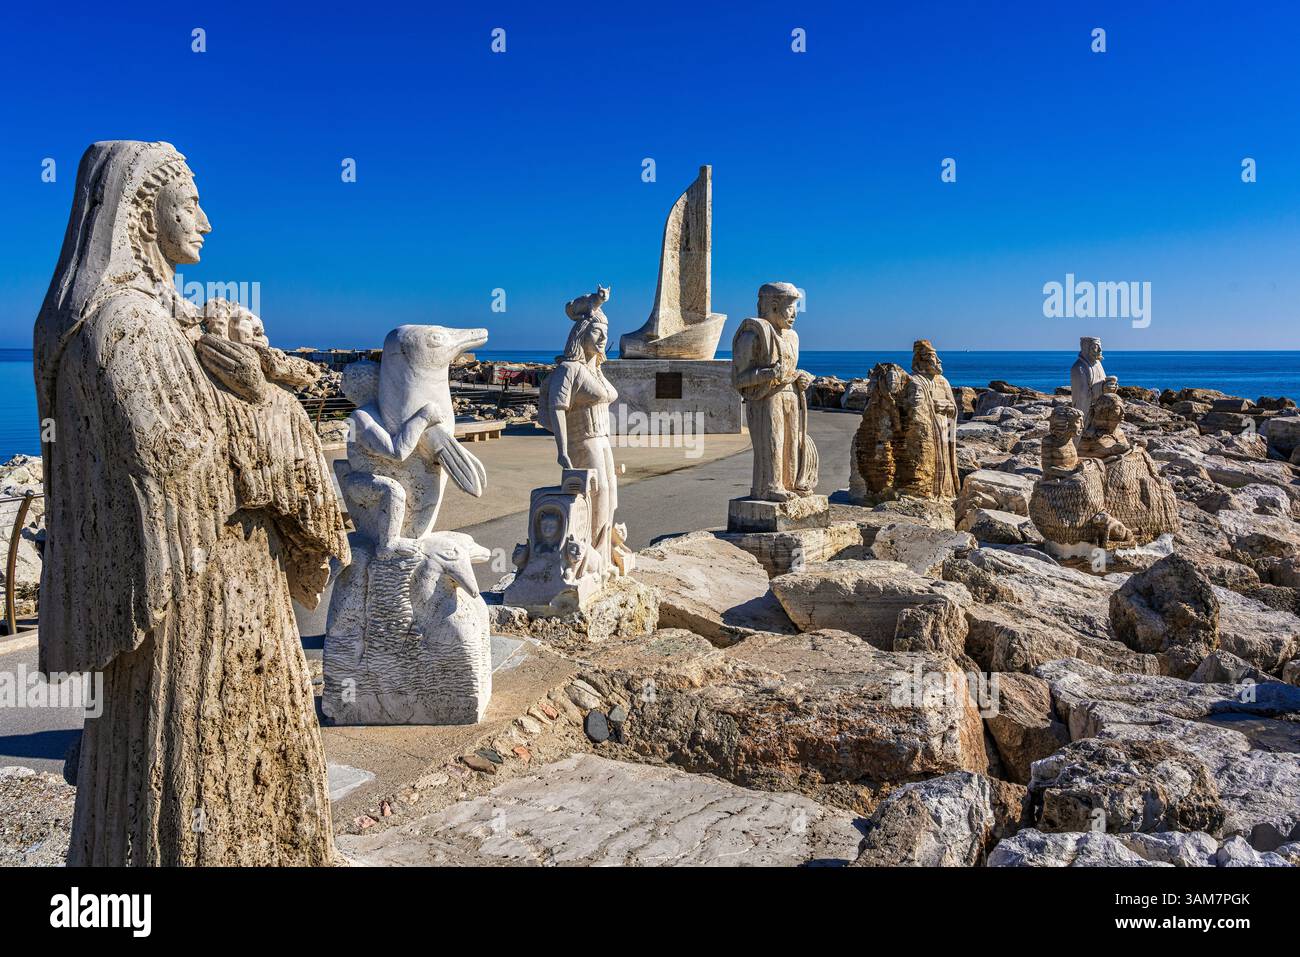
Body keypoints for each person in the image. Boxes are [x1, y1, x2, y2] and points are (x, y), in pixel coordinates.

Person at [33, 141, 348, 865]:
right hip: (194, 599)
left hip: (221, 587)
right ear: (144, 212)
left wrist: (254, 384)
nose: (206, 220)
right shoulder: (124, 325)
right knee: (190, 776)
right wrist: (266, 402)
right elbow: (183, 460)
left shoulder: (159, 319)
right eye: (191, 202)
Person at [730, 282, 817, 501]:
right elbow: (738, 379)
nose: (795, 314)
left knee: (791, 444)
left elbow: (790, 370)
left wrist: (800, 377)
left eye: (796, 307)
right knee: (773, 443)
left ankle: (791, 483)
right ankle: (770, 486)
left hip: (791, 396)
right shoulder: (753, 335)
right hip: (766, 398)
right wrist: (766, 374)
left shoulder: (793, 337)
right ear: (775, 306)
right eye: (791, 307)